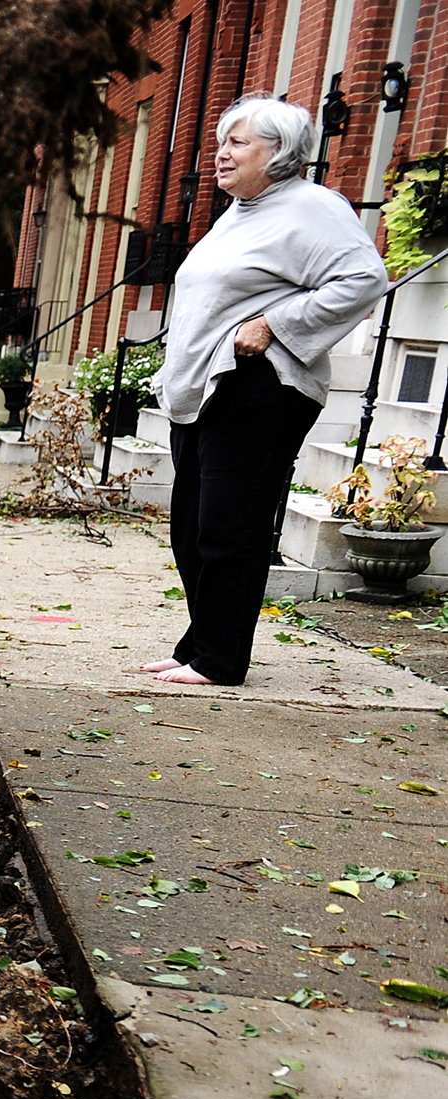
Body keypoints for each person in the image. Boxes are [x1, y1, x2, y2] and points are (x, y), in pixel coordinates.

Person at [143, 97, 388, 685]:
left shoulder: (312, 207)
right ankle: (198, 645)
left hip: (260, 386)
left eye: (238, 143)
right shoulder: (241, 211)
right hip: (206, 387)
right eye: (221, 142)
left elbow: (364, 279)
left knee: (231, 525)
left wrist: (275, 325)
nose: (221, 154)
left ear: (279, 154)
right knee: (192, 526)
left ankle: (219, 660)